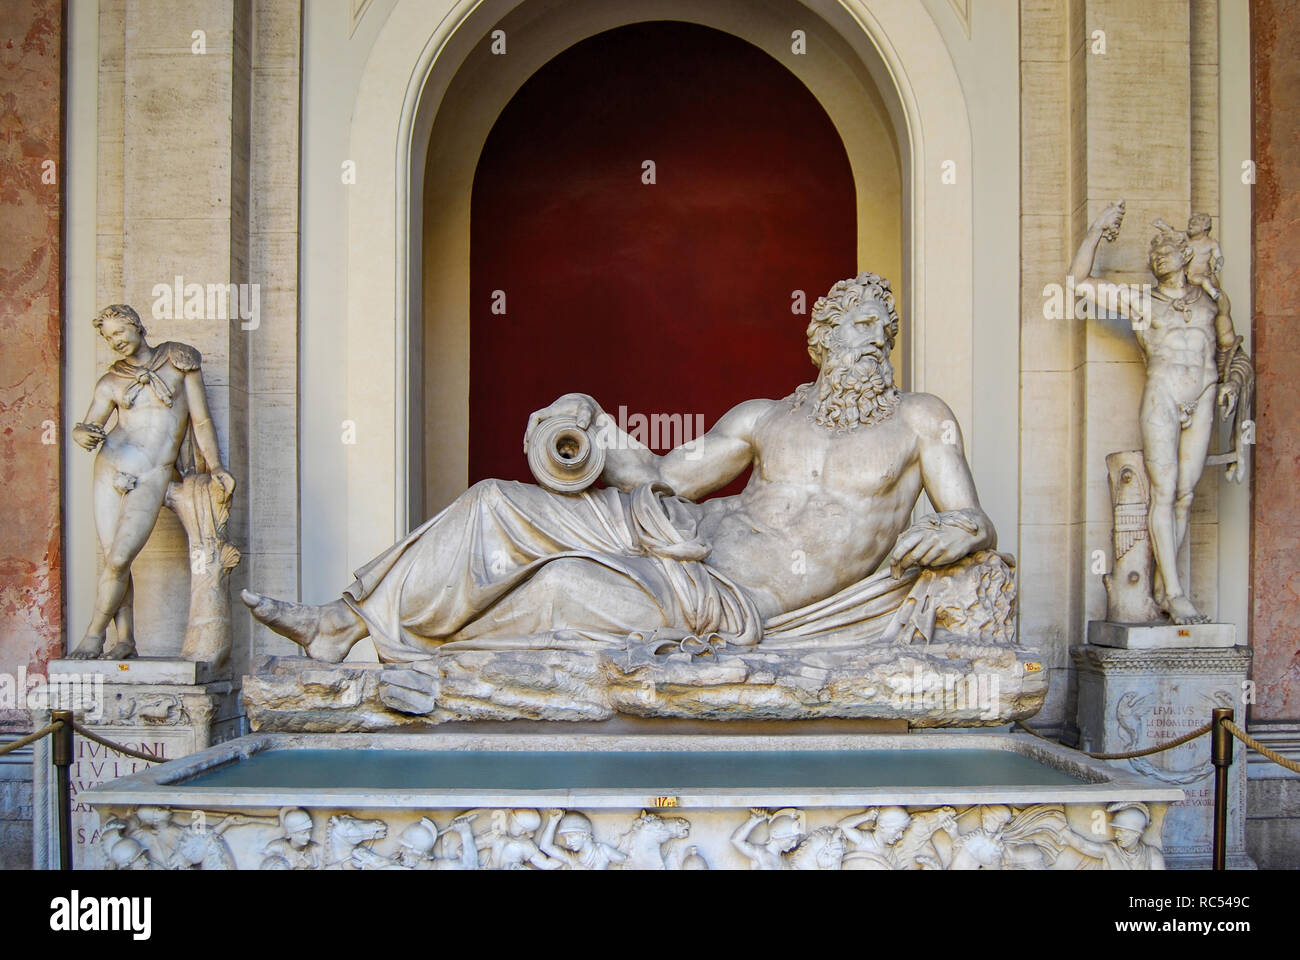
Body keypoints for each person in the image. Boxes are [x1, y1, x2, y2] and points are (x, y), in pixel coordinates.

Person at [242, 273, 998, 661]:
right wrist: (594, 426)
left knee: (563, 585)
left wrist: (960, 531)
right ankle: (345, 622)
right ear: (823, 336)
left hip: (723, 595)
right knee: (491, 502)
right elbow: (666, 478)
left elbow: (973, 520)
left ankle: (400, 646)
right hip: (677, 528)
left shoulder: (919, 418)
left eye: (887, 330)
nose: (877, 341)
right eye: (862, 325)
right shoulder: (766, 416)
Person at [1070, 204, 1246, 624]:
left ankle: (1167, 589)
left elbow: (1230, 350)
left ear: (1186, 255)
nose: (1159, 257)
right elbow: (1077, 282)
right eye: (1154, 255)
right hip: (1163, 396)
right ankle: (1177, 593)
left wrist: (1231, 385)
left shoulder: (1211, 301)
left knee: (1184, 495)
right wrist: (1096, 229)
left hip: (1202, 395)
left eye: (1167, 250)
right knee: (1164, 493)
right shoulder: (1141, 301)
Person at [70, 304, 232, 658]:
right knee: (112, 557)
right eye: (108, 337)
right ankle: (125, 640)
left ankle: (94, 636)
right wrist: (80, 433)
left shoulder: (178, 360)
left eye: (119, 332)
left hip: (151, 472)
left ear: (138, 326)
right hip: (110, 467)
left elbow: (201, 420)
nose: (115, 342)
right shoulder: (111, 380)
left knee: (118, 559)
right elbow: (90, 424)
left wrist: (216, 466)